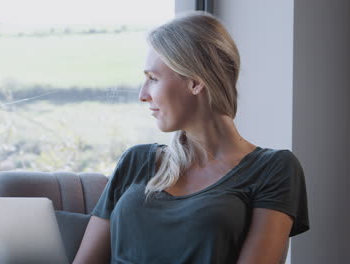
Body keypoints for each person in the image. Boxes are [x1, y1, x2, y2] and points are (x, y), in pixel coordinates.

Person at [73, 10, 310, 264]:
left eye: (153, 79)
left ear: (195, 83)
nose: (143, 94)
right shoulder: (135, 161)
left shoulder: (274, 169)